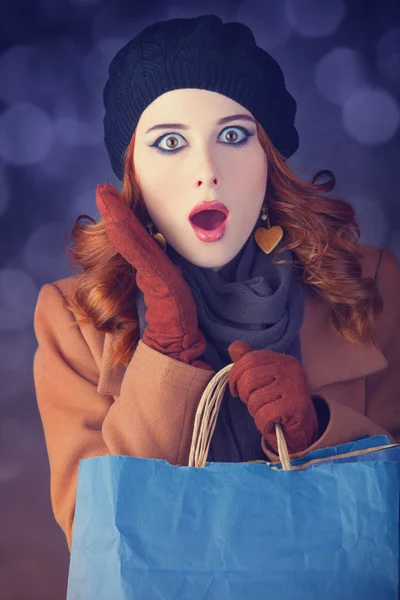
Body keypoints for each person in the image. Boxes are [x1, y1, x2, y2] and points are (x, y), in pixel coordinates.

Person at [33, 14, 400, 553]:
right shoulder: (74, 316)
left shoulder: (370, 283)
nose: (207, 170)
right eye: (169, 142)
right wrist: (167, 350)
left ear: (269, 160)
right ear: (133, 170)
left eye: (233, 135)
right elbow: (93, 535)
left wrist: (317, 433)